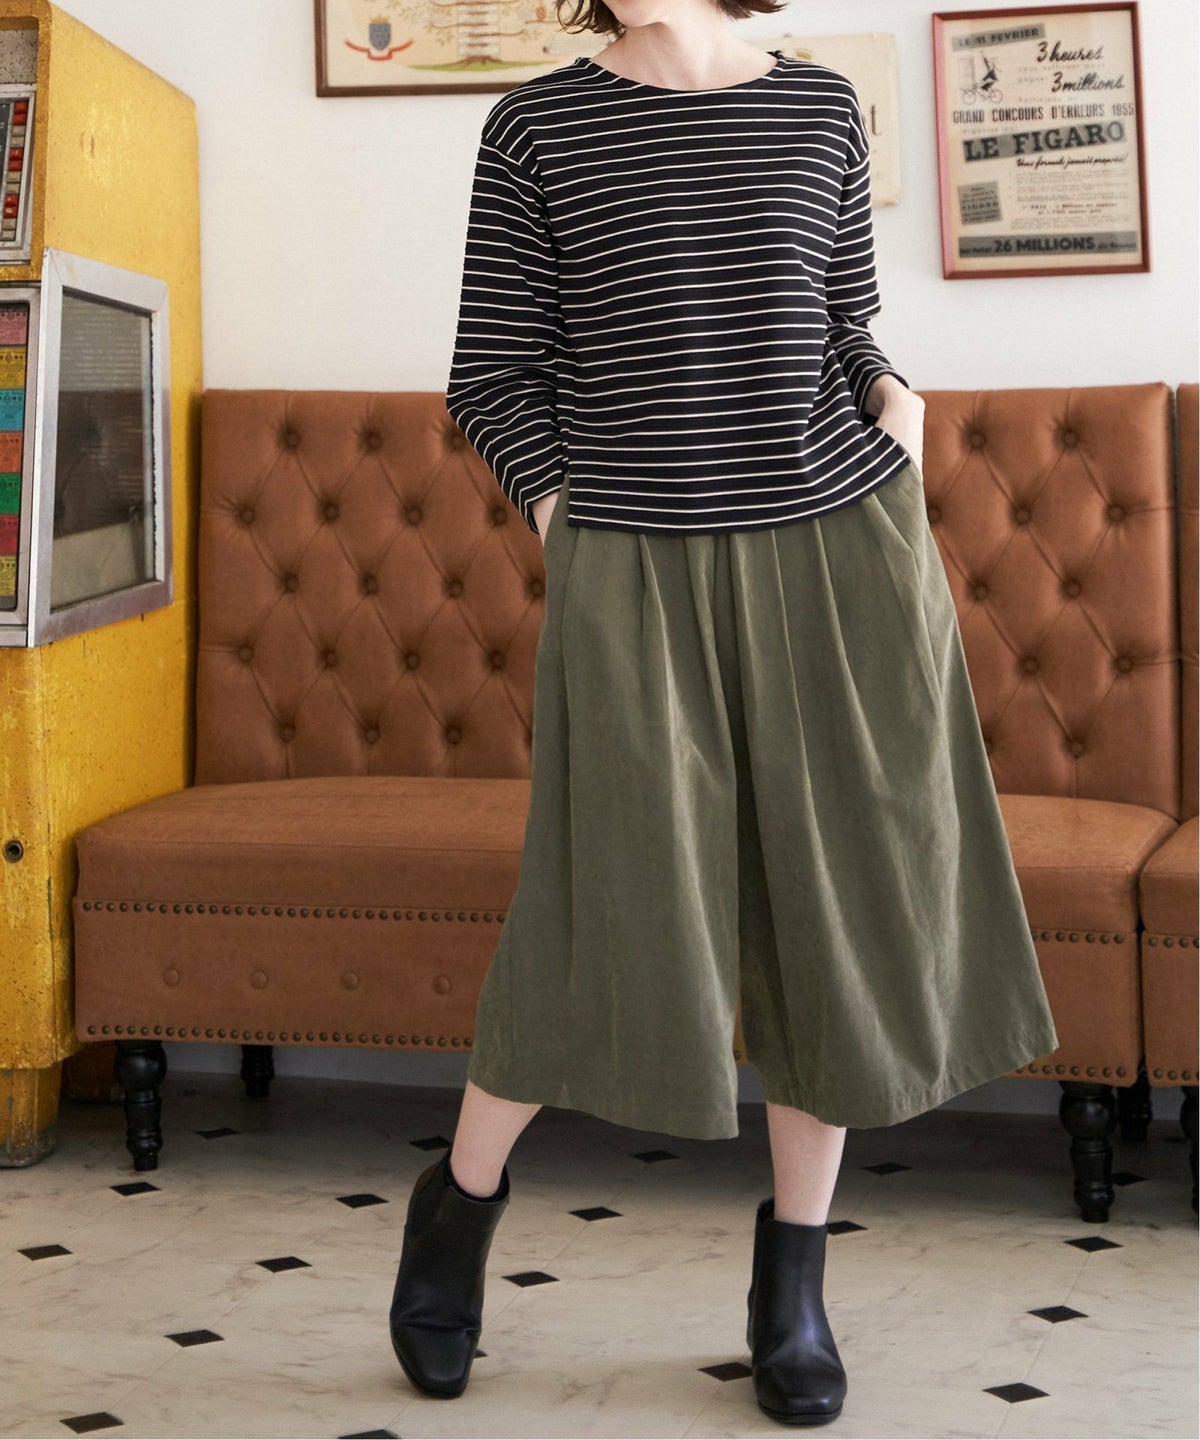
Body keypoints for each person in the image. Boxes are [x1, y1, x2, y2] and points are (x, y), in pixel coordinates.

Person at [388, 1, 1060, 1426]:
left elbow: (845, 321)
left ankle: (793, 1285)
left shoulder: (815, 108)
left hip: (837, 547)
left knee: (831, 905)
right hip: (635, 566)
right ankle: (456, 1206)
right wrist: (566, 513)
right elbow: (491, 369)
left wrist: (894, 396)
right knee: (599, 904)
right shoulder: (537, 126)